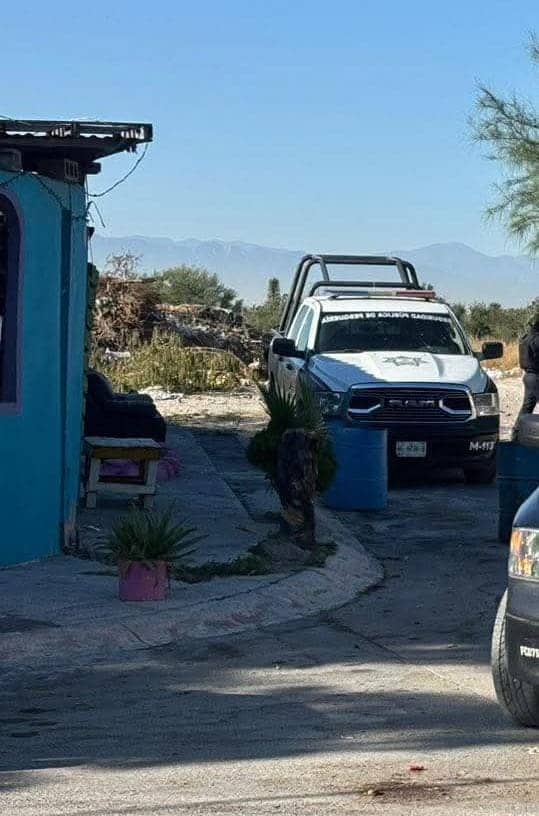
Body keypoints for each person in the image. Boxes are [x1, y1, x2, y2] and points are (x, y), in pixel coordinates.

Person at [518, 313, 539, 417]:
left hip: (529, 376)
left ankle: (517, 431)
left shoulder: (526, 338)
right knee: (528, 406)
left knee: (527, 406)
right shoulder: (536, 339)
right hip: (535, 376)